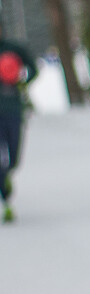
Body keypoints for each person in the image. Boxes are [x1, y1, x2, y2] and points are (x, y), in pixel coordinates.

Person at [0, 24, 39, 223]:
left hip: (14, 110)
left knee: (13, 157)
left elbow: (33, 68)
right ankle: (5, 199)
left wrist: (21, 81)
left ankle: (6, 176)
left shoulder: (13, 48)